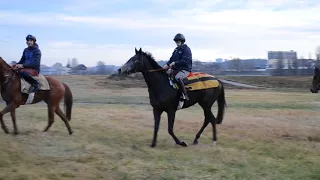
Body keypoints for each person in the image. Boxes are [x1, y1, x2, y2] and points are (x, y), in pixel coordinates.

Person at [163, 33, 192, 100]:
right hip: (176, 69)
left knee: (177, 78)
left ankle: (184, 94)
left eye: (178, 41)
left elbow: (185, 61)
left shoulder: (186, 49)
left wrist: (175, 63)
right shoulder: (176, 50)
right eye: (176, 41)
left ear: (182, 41)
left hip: (185, 69)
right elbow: (171, 59)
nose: (177, 43)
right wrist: (166, 65)